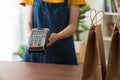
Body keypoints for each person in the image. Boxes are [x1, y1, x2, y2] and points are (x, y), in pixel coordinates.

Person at [20, 0, 86, 65]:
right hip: (35, 54)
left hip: (63, 54)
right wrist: (34, 38)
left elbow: (72, 26)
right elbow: (28, 24)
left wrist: (57, 36)